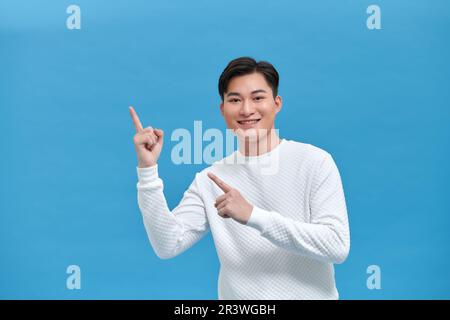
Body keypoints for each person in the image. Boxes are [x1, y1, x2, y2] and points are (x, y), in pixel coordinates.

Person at [129, 57, 350, 300]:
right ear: (222, 109)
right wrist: (147, 170)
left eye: (257, 98)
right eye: (235, 100)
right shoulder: (210, 179)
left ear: (277, 104)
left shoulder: (314, 162)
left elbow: (337, 245)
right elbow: (168, 244)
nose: (246, 110)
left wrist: (253, 216)